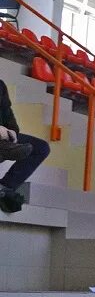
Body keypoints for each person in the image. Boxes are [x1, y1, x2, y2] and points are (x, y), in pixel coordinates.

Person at [0, 78, 50, 214]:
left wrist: (13, 132)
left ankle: (4, 187)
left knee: (40, 148)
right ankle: (5, 149)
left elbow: (8, 114)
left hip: (4, 137)